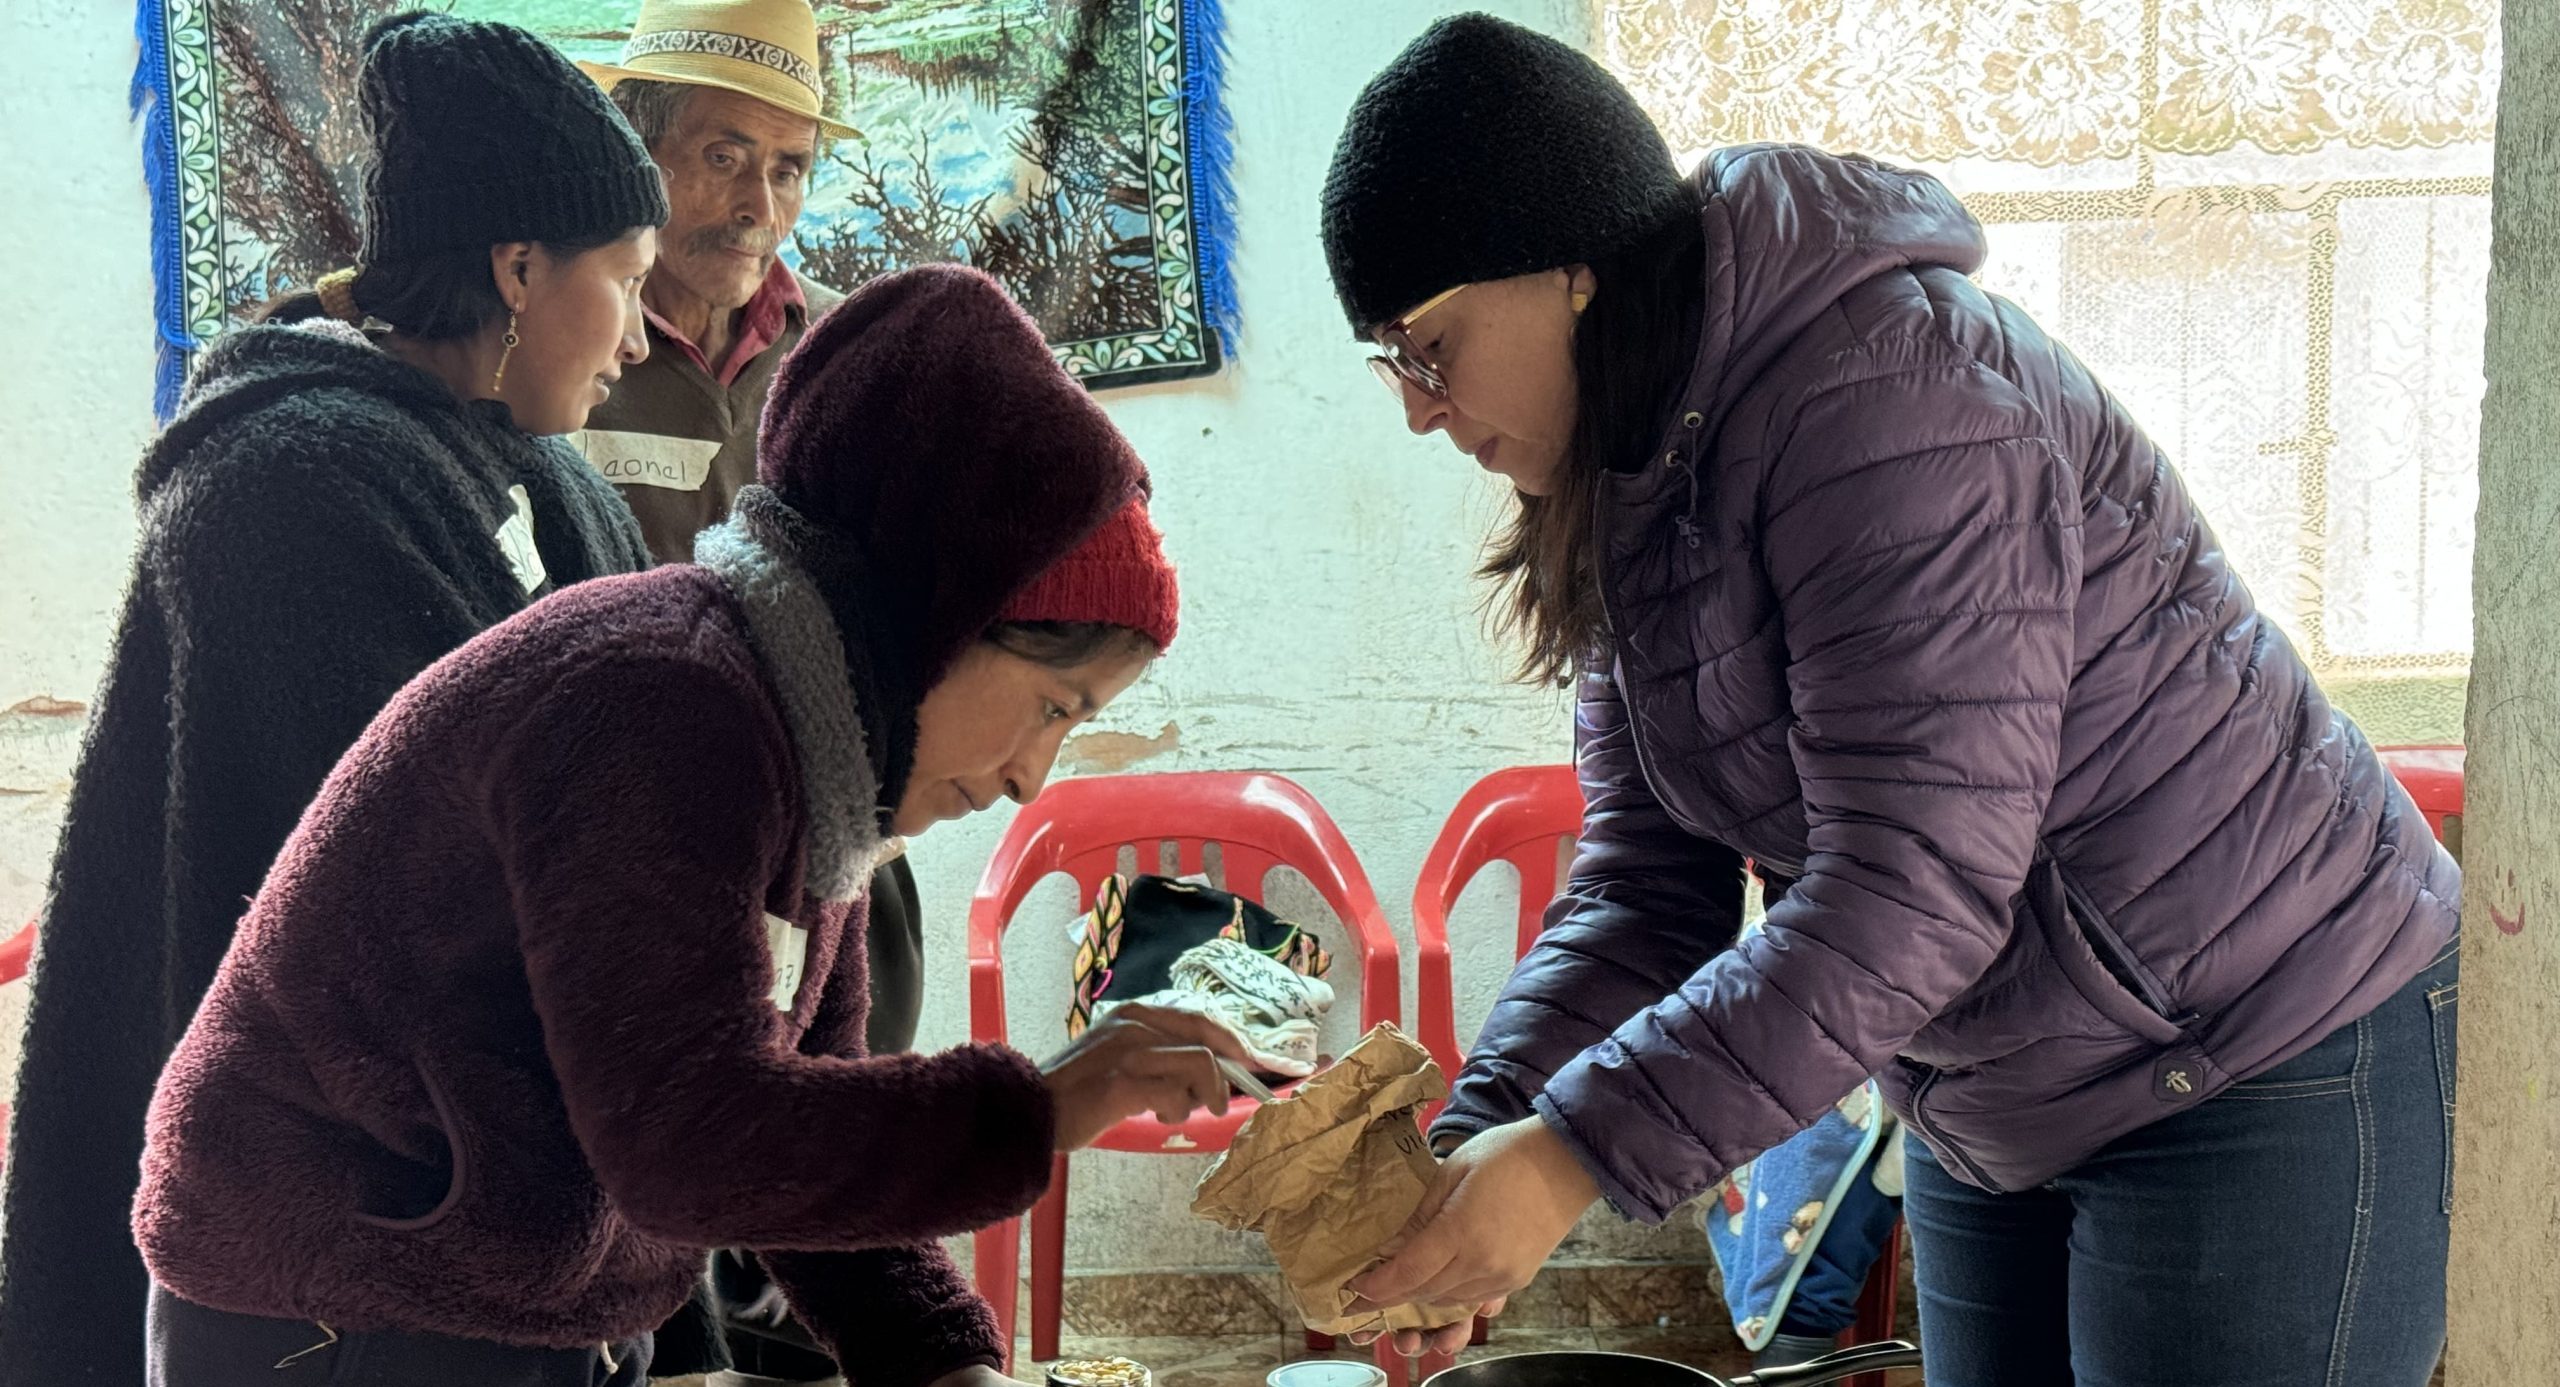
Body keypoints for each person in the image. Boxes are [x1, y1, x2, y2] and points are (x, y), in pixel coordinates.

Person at [1321, 17, 2462, 1385]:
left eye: (1425, 344)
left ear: (1568, 269)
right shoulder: (1632, 474)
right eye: (1386, 361)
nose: (1416, 409)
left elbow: (1910, 881)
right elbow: (1645, 885)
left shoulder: (1889, 393)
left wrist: (1573, 1152)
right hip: (1992, 1086)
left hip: (2253, 1043)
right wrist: (1482, 1142)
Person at [130, 264, 1240, 1387]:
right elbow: (689, 1136)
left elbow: (803, 1111)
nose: (1027, 780)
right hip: (336, 1307)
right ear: (936, 610)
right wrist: (1037, 1107)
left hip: (506, 1296)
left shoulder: (820, 751)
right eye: (1055, 707)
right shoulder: (663, 705)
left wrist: (948, 1363)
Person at [0, 15, 667, 1385]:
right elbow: (414, 912)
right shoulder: (283, 487)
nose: (644, 336)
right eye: (628, 280)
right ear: (522, 265)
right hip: (330, 1261)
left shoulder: (555, 480)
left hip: (515, 1219)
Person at [575, 9, 918, 1378]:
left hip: (825, 849)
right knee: (643, 1207)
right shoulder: (566, 341)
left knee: (830, 1189)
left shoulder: (836, 356)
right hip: (617, 855)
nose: (758, 202)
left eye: (787, 167)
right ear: (641, 145)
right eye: (723, 154)